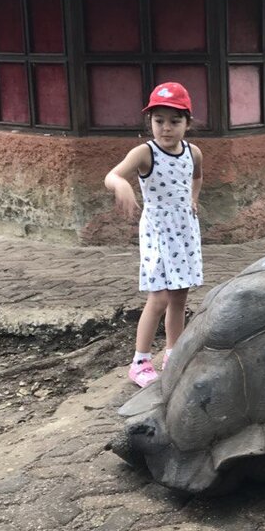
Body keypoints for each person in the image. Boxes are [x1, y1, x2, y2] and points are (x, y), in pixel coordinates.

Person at [104, 82, 203, 388]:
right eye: (159, 121)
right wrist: (120, 184)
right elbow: (113, 175)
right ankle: (140, 361)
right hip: (159, 232)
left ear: (188, 122)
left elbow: (196, 176)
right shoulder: (145, 153)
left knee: (180, 295)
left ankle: (173, 353)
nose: (166, 128)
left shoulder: (193, 152)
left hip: (185, 229)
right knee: (158, 297)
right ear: (150, 121)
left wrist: (193, 199)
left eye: (175, 121)